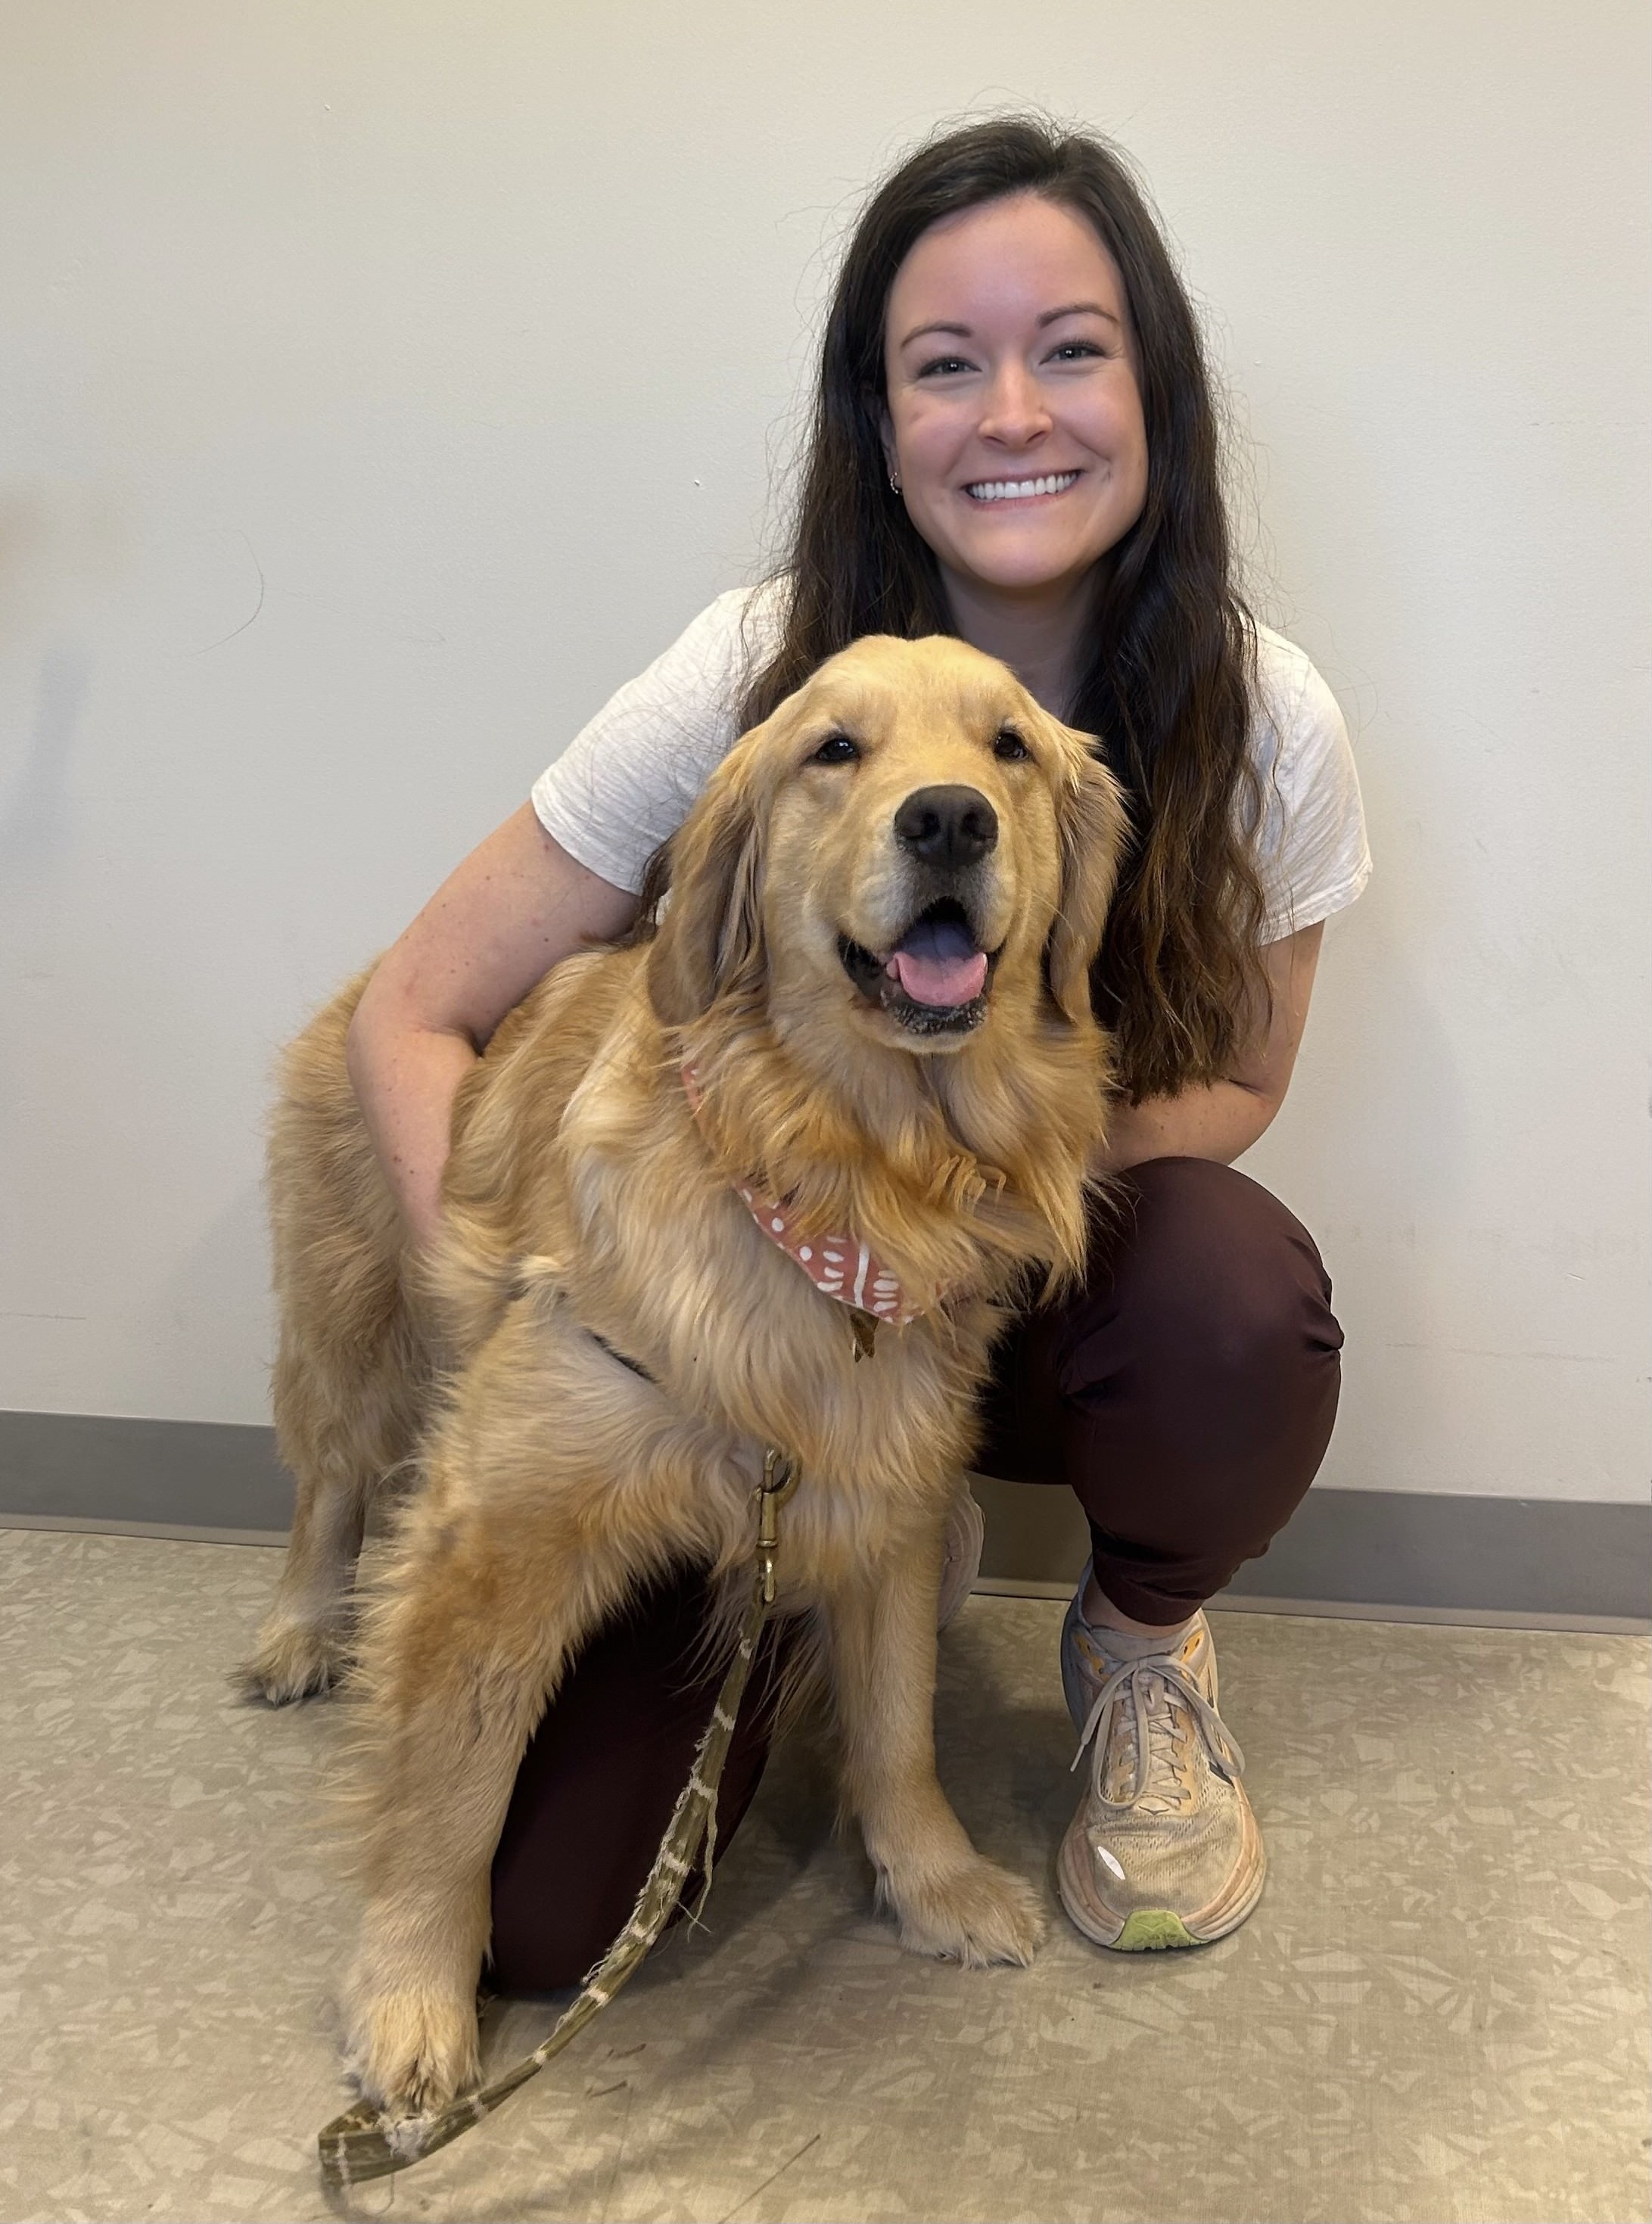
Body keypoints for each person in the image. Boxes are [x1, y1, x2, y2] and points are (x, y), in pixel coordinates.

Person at [343, 117, 1368, 1978]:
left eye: (1071, 346)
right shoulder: (748, 671)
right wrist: (487, 1307)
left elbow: (1245, 1079)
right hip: (717, 1253)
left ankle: (1133, 1648)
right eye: (945, 364)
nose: (1015, 410)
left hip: (1017, 1254)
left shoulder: (1268, 713)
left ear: (1154, 388)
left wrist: (956, 1220)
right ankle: (758, 1590)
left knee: (1229, 1289)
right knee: (549, 1928)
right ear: (881, 421)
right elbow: (413, 1006)